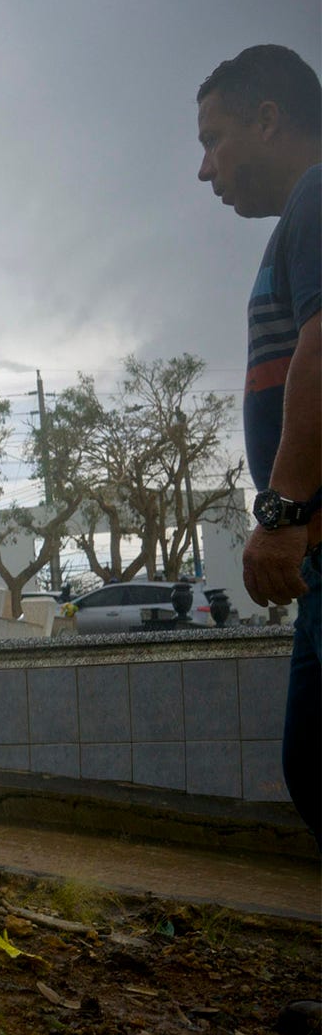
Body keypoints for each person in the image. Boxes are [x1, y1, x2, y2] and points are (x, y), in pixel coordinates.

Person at [196, 45, 322, 853]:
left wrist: (280, 513)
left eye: (214, 140)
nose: (205, 171)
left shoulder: (319, 193)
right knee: (309, 762)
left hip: (308, 528)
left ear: (268, 121)